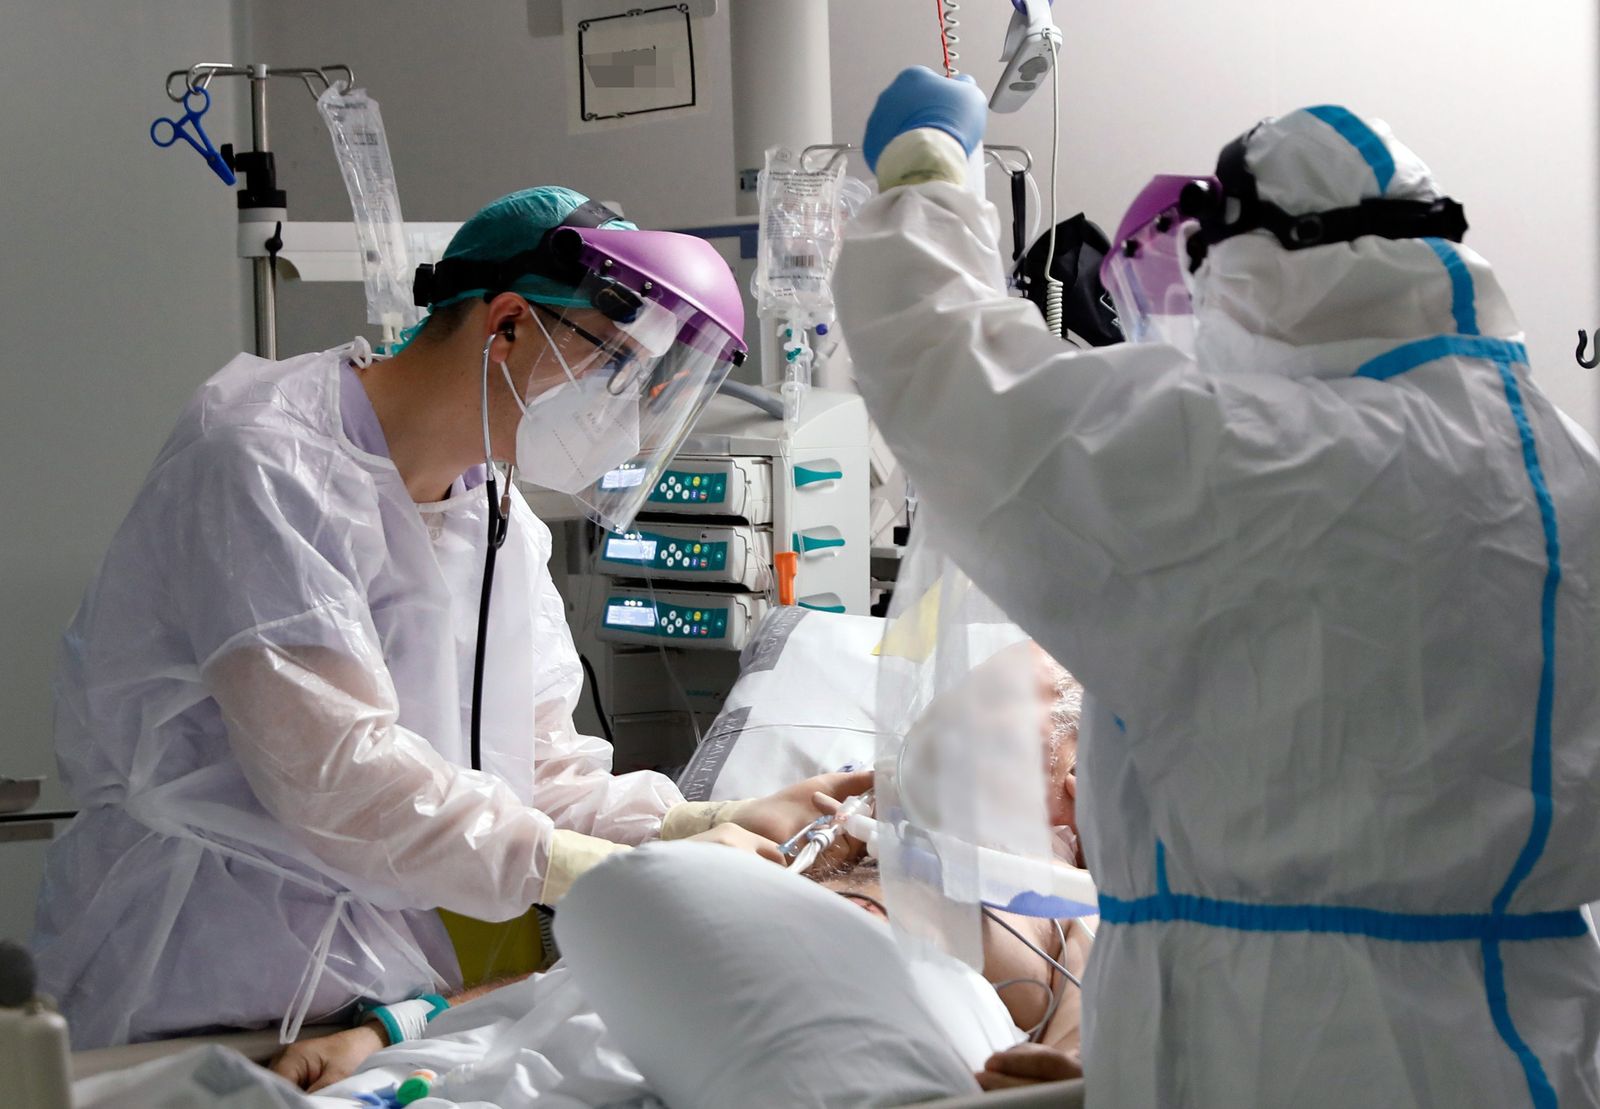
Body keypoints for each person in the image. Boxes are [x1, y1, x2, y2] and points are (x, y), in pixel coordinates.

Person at [835, 68, 1600, 1107]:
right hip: (1534, 1046)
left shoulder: (1253, 455)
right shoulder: (1567, 471)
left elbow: (953, 375)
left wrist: (928, 176)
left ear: (1256, 267)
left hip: (1277, 1049)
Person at [33, 184, 868, 1050]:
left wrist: (700, 824)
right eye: (615, 364)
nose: (625, 406)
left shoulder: (496, 517)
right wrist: (615, 871)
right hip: (187, 975)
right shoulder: (265, 465)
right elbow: (339, 778)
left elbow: (536, 771)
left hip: (366, 995)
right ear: (507, 324)